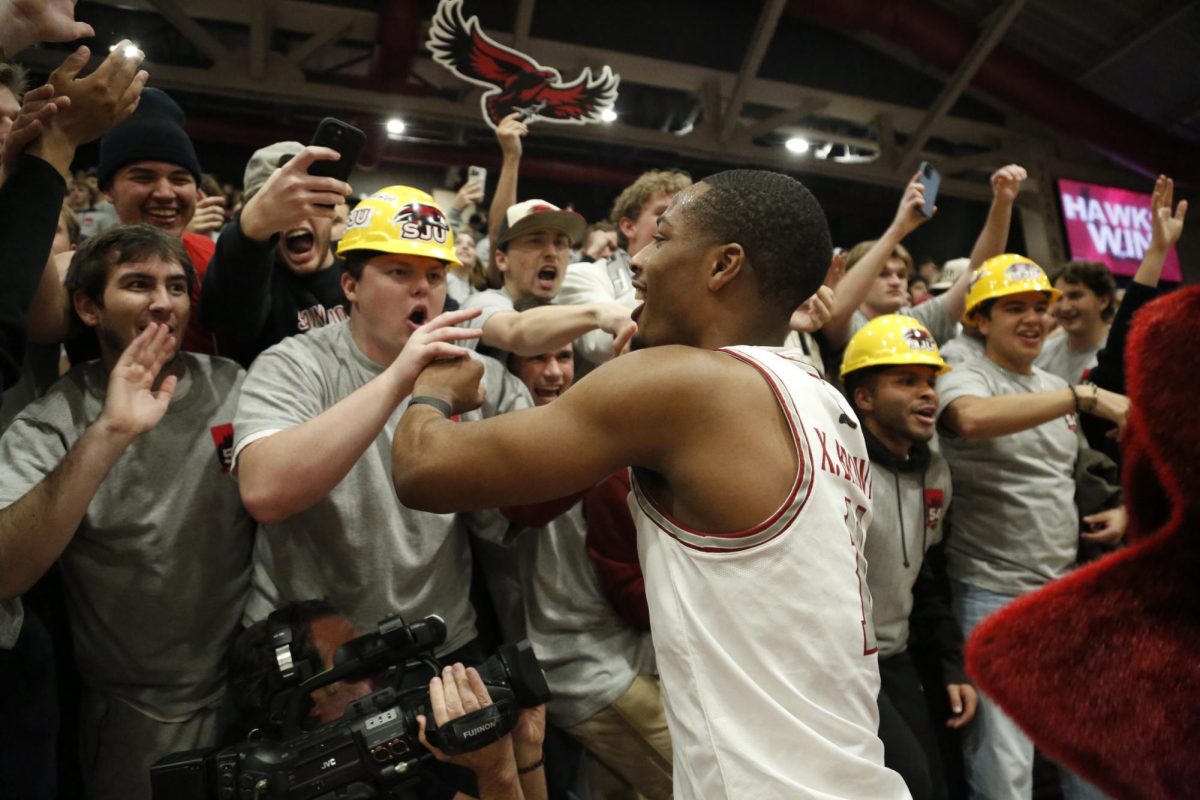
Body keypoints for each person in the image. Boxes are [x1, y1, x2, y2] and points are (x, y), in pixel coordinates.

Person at [391, 169, 910, 799]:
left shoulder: (681, 386)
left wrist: (431, 392)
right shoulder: (826, 400)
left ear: (723, 265)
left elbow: (423, 470)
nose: (638, 259)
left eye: (662, 240)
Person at [0, 224, 254, 800]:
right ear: (89, 308)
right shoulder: (59, 417)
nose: (163, 303)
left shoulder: (234, 385)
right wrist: (109, 432)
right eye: (138, 285)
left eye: (176, 287)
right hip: (136, 718)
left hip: (250, 692)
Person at [232, 186, 533, 656]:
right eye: (399, 271)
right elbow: (264, 492)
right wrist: (400, 377)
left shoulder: (473, 372)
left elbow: (534, 483)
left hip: (439, 634)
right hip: (317, 647)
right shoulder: (295, 362)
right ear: (350, 286)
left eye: (435, 275)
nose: (422, 288)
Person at [935, 253, 1128, 800]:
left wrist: (1122, 512)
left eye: (1039, 308)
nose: (1032, 319)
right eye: (1013, 308)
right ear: (979, 320)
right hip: (990, 593)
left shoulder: (1049, 380)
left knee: (1088, 761)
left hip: (1064, 592)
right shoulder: (963, 366)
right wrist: (1081, 395)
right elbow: (967, 419)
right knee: (1005, 772)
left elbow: (1076, 470)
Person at [501, 343, 672, 798]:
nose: (553, 371)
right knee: (700, 781)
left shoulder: (602, 438)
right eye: (537, 358)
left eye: (564, 358)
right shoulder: (503, 452)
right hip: (581, 665)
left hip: (633, 654)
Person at [839, 315, 977, 800]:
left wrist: (950, 666)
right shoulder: (840, 472)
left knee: (935, 784)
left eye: (930, 381)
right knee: (909, 783)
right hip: (840, 665)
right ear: (864, 398)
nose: (928, 394)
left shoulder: (935, 471)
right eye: (906, 381)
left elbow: (927, 580)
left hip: (896, 658)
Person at [228, 599, 549, 800]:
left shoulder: (380, 762)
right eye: (352, 668)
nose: (380, 675)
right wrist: (496, 773)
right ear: (306, 703)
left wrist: (525, 749)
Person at [823, 165, 1027, 351]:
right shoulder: (849, 324)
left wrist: (1003, 202)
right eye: (882, 274)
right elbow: (836, 313)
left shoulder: (916, 321)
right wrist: (899, 228)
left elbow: (978, 270)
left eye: (902, 275)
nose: (895, 281)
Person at [200, 140, 352, 366]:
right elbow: (232, 321)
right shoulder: (252, 281)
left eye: (309, 201)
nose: (295, 217)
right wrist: (249, 230)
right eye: (279, 209)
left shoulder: (358, 268)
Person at [557, 168, 692, 373]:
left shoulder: (696, 282)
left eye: (686, 214)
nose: (678, 223)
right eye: (664, 213)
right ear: (629, 226)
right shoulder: (584, 274)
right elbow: (599, 344)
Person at [1035, 260, 1116, 382]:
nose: (1065, 307)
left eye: (1075, 296)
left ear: (1103, 301)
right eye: (1058, 299)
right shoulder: (1041, 354)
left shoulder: (1122, 354)